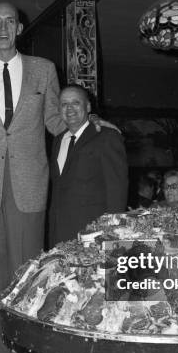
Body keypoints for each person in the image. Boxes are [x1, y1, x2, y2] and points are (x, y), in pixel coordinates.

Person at [0, 2, 118, 353]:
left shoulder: (43, 69)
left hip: (30, 186)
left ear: (19, 29)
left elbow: (55, 120)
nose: (3, 27)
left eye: (9, 22)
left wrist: (88, 119)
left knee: (29, 274)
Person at [48, 85, 128, 246]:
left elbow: (117, 189)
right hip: (60, 233)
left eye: (75, 102)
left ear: (88, 106)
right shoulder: (58, 140)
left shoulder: (106, 137)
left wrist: (111, 232)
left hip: (93, 233)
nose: (69, 108)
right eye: (64, 104)